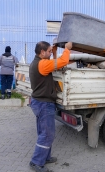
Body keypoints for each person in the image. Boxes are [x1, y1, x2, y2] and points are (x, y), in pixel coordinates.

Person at [29, 41, 72, 172]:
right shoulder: (42, 64)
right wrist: (67, 49)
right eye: (48, 51)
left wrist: (53, 52)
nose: (49, 53)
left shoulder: (37, 62)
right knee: (47, 134)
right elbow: (63, 61)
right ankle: (36, 162)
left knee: (43, 132)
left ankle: (45, 157)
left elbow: (53, 64)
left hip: (39, 102)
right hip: (44, 103)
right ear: (42, 52)